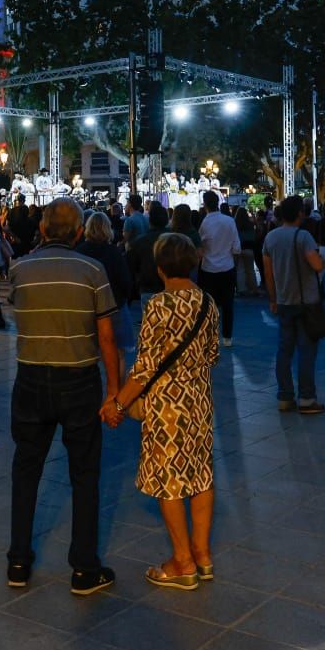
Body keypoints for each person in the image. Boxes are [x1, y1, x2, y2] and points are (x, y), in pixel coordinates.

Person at [8, 197, 120, 596]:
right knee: (85, 474)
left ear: (41, 229)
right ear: (78, 232)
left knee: (26, 469)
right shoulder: (93, 270)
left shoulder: (19, 269)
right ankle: (84, 568)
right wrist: (115, 390)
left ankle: (18, 561)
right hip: (80, 378)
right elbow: (107, 336)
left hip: (31, 378)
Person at [102, 233, 220, 591]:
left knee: (170, 480)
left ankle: (181, 562)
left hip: (167, 405)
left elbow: (146, 366)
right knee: (200, 475)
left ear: (159, 268)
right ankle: (202, 554)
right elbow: (213, 354)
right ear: (193, 262)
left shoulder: (158, 306)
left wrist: (118, 403)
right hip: (199, 401)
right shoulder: (207, 303)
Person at [263, 195, 325, 413]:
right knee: (306, 351)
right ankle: (307, 398)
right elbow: (317, 265)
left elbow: (268, 273)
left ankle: (284, 395)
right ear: (300, 213)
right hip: (306, 301)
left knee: (284, 350)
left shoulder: (270, 238)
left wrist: (272, 298)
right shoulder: (304, 237)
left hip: (283, 301)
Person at [75, 212, 136, 363]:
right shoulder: (114, 252)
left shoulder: (80, 252)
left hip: (87, 307)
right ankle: (116, 385)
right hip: (114, 305)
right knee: (118, 354)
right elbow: (125, 281)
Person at [196, 190, 240, 347]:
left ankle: (210, 335)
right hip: (227, 267)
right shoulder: (229, 221)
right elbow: (236, 248)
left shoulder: (205, 223)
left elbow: (200, 246)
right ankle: (227, 337)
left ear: (205, 204)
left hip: (208, 269)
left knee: (209, 305)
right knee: (228, 304)